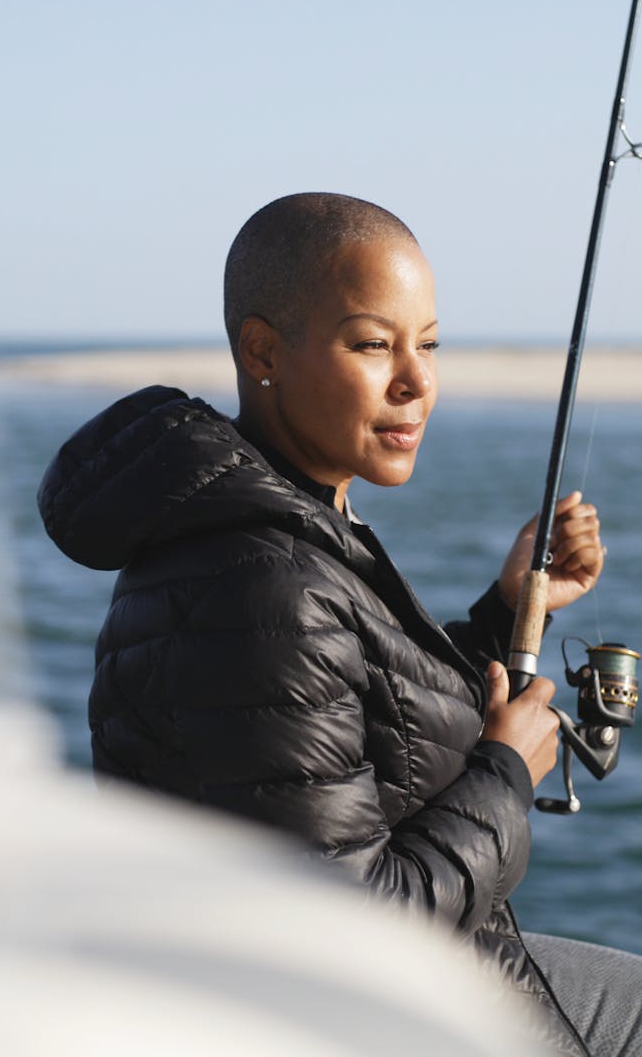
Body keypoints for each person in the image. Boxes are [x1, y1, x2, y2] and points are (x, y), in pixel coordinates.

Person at [38, 193, 642, 1056]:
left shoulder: (283, 526)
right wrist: (506, 771)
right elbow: (355, 923)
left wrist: (509, 609)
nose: (416, 380)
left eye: (428, 343)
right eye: (372, 343)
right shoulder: (262, 580)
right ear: (263, 350)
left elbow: (364, 726)